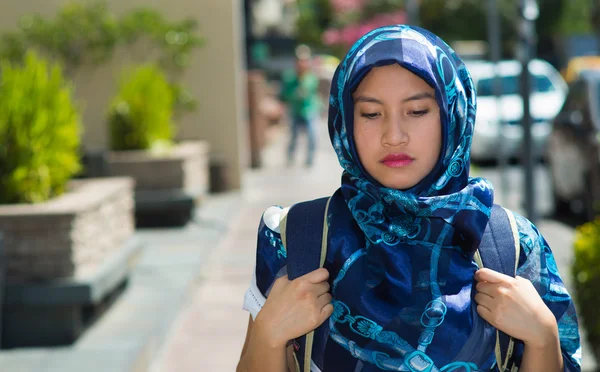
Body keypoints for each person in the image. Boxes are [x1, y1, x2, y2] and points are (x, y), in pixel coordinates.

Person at [237, 25, 581, 372]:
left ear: (452, 114)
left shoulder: (511, 243)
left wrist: (543, 337)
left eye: (417, 111)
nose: (394, 136)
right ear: (345, 120)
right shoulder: (295, 237)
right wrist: (268, 335)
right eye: (371, 113)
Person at [280, 44, 321, 167]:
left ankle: (309, 160)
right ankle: (290, 158)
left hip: (309, 110)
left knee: (312, 135)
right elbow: (284, 95)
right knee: (293, 137)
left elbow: (313, 92)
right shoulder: (289, 77)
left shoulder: (311, 77)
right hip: (295, 110)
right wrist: (294, 94)